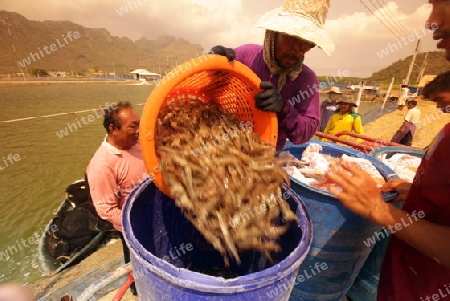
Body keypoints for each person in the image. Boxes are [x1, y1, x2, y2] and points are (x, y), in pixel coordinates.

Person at [326, 70, 450, 299]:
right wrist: (415, 192)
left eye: (444, 104)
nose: (443, 111)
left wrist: (378, 209)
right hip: (407, 270)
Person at [210, 0, 335, 151]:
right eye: (293, 39)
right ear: (273, 35)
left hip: (266, 155)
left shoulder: (306, 80)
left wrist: (284, 109)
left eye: (307, 44)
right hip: (225, 146)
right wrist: (214, 63)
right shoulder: (245, 55)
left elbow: (306, 132)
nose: (299, 50)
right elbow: (212, 88)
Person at [86, 101, 148, 296]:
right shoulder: (102, 165)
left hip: (154, 211)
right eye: (132, 126)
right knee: (140, 268)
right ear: (113, 129)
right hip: (134, 227)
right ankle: (139, 291)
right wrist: (134, 225)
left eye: (138, 124)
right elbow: (106, 209)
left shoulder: (136, 143)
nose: (138, 131)